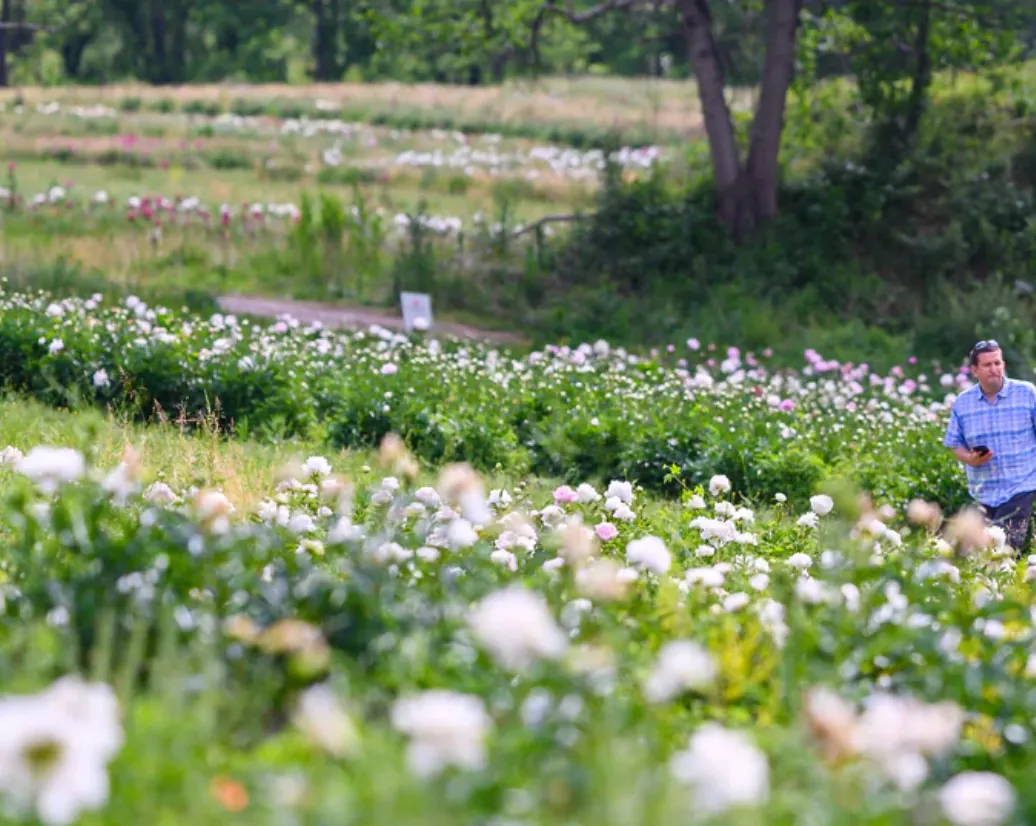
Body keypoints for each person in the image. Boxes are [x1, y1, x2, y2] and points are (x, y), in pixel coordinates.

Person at [944, 339, 1036, 554]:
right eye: (987, 365)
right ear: (975, 370)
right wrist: (970, 458)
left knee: (1004, 548)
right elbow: (955, 443)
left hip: (1021, 484)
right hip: (983, 491)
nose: (994, 369)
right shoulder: (963, 403)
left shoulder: (1027, 393)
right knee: (979, 553)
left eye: (997, 363)